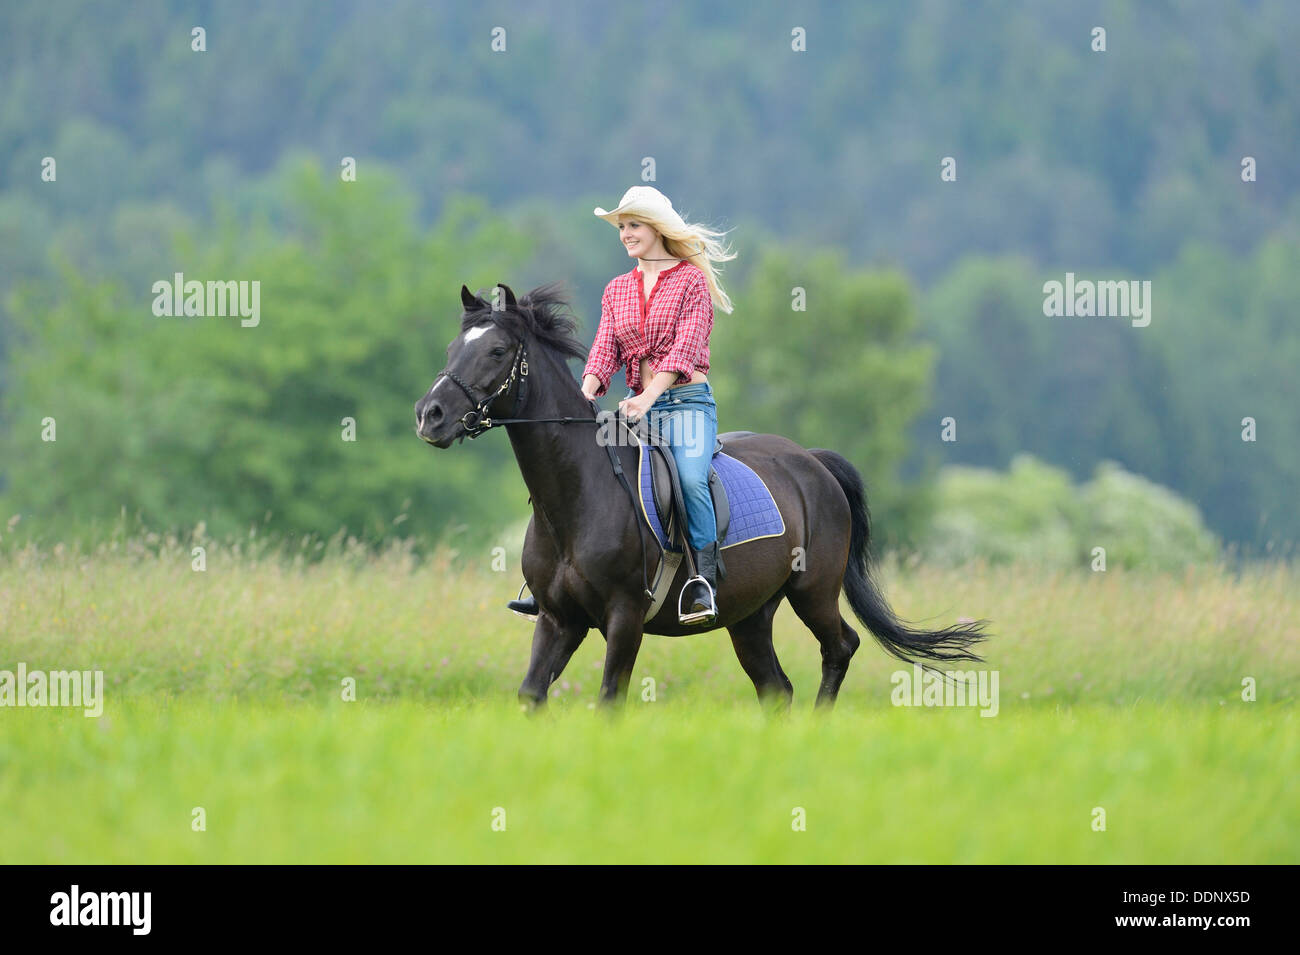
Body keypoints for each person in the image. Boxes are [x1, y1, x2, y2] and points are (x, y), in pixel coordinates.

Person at [507, 185, 736, 626]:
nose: (625, 234)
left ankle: (703, 579)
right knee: (577, 469)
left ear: (656, 229)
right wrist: (587, 391)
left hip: (685, 406)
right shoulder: (617, 290)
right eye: (622, 227)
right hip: (636, 411)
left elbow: (684, 351)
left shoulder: (691, 282)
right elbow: (604, 350)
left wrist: (649, 395)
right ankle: (550, 578)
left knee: (689, 479)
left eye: (633, 225)